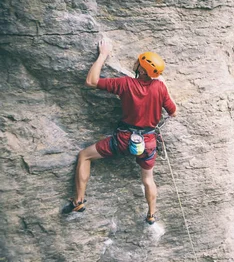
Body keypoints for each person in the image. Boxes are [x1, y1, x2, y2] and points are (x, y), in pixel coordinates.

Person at [62, 39, 177, 225]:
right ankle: (151, 215)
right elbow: (173, 112)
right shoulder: (160, 88)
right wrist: (163, 87)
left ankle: (78, 201)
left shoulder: (125, 84)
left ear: (141, 68)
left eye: (139, 62)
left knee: (84, 156)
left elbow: (91, 81)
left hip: (124, 140)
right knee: (148, 179)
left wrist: (102, 55)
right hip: (148, 142)